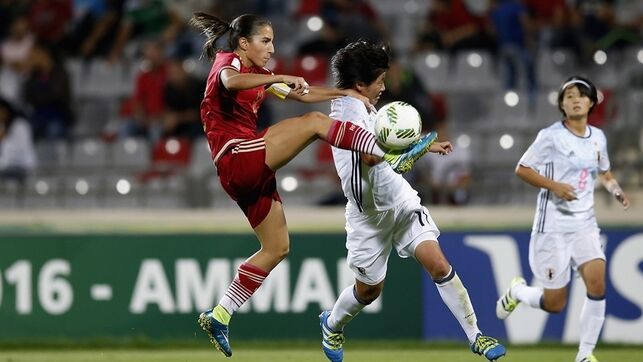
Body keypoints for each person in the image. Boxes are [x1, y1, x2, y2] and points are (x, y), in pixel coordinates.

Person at [188, 13, 437, 357]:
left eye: (273, 41)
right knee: (315, 124)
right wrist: (280, 75)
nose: (272, 48)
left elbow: (301, 94)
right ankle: (391, 153)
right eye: (265, 41)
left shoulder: (259, 75)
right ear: (243, 43)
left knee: (276, 248)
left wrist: (346, 92)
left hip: (246, 172)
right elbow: (230, 82)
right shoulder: (227, 61)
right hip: (237, 155)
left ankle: (220, 314)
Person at [319, 40, 506, 362]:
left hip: (400, 200)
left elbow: (384, 147)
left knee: (439, 264)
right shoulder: (345, 114)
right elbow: (368, 157)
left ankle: (476, 335)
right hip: (368, 217)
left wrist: (420, 146)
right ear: (361, 84)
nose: (384, 86)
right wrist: (414, 150)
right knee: (369, 291)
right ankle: (332, 324)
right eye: (379, 80)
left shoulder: (366, 107)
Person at [496, 76, 630, 362]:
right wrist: (555, 186)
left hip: (585, 225)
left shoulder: (598, 137)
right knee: (555, 303)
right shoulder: (551, 136)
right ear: (561, 105)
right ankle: (518, 292)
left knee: (597, 284)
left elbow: (604, 173)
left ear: (592, 102)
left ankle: (584, 354)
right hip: (553, 227)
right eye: (569, 96)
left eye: (581, 95)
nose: (575, 99)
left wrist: (616, 190)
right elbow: (522, 168)